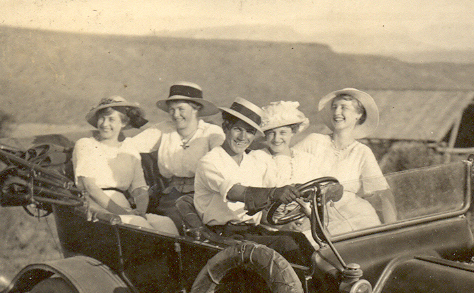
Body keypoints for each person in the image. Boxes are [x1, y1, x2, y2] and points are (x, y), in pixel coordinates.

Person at [188, 97, 307, 263]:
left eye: (250, 131)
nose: (243, 137)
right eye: (238, 129)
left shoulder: (252, 162)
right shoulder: (210, 162)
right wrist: (274, 192)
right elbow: (236, 192)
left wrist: (285, 221)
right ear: (225, 127)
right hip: (222, 237)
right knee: (285, 244)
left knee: (300, 240)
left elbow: (261, 208)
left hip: (250, 232)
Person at [259, 100, 373, 235]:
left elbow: (320, 190)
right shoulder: (257, 159)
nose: (277, 138)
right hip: (272, 227)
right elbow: (252, 203)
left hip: (307, 222)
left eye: (283, 132)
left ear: (293, 131)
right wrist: (283, 224)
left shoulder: (305, 159)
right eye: (271, 133)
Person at [126, 82, 224, 231]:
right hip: (170, 197)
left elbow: (224, 160)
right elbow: (129, 147)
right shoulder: (165, 129)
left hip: (204, 196)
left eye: (181, 109)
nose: (175, 115)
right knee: (166, 226)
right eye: (172, 110)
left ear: (195, 108)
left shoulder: (211, 133)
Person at [72, 97, 178, 235]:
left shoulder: (128, 148)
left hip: (124, 208)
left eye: (111, 119)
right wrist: (126, 214)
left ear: (123, 122)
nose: (105, 124)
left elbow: (139, 188)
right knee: (139, 225)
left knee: (166, 223)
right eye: (101, 118)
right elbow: (91, 188)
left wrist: (140, 211)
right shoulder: (86, 145)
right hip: (96, 208)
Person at [294, 87, 397, 226]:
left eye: (344, 107)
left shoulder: (362, 152)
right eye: (334, 107)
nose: (337, 112)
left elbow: (382, 192)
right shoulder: (313, 141)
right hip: (311, 216)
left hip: (354, 217)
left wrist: (392, 230)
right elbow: (284, 167)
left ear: (358, 114)